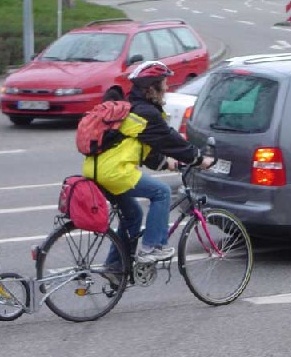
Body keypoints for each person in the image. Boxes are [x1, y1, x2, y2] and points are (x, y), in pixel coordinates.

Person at [82, 60, 214, 273]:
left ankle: (116, 266)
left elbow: (141, 147)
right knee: (161, 192)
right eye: (163, 84)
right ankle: (152, 247)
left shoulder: (132, 110)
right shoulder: (145, 113)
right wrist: (199, 159)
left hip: (97, 169)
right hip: (113, 172)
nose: (166, 89)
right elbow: (169, 140)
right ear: (151, 88)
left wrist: (166, 162)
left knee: (133, 215)